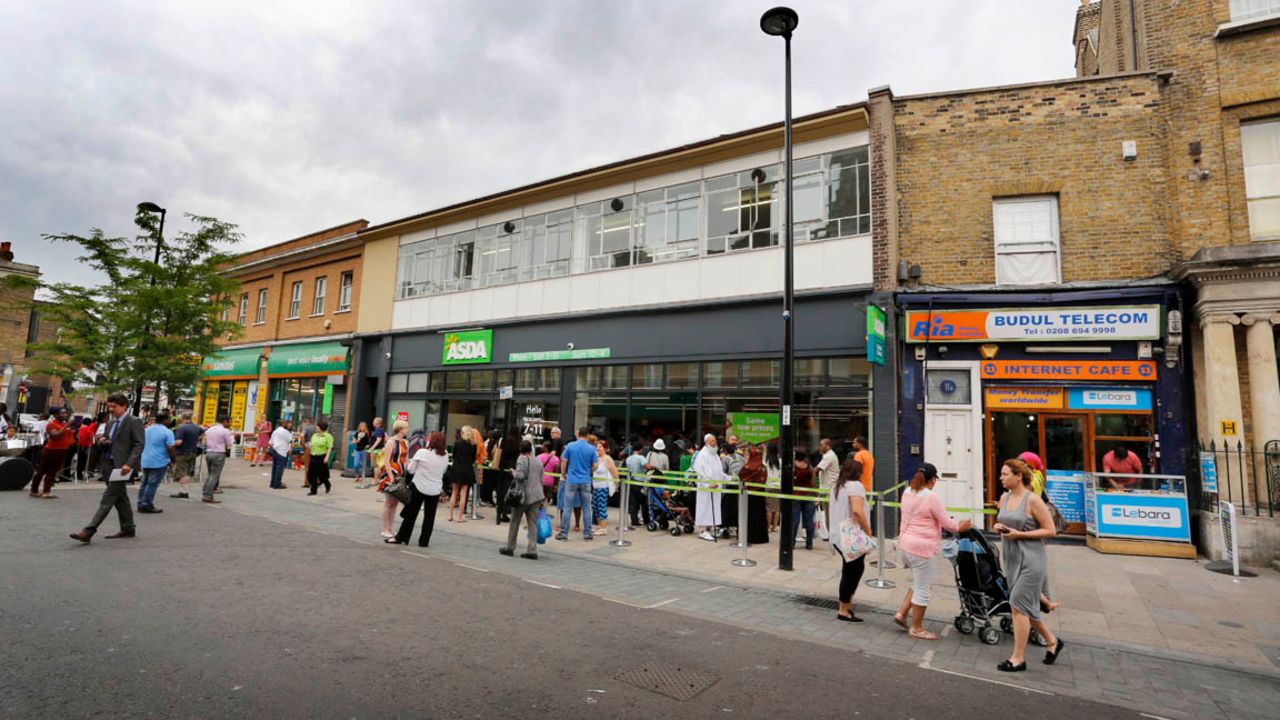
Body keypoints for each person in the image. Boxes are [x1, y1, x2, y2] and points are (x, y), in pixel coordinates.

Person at [994, 458, 1064, 672]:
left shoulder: (1033, 500)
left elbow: (1050, 530)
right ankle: (1052, 642)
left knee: (1017, 607)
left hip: (1032, 559)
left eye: (1005, 474)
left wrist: (1020, 534)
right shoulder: (1004, 497)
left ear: (1018, 476)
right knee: (1025, 607)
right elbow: (1005, 521)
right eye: (1001, 474)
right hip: (1012, 558)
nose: (1001, 477)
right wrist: (1000, 526)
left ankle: (1018, 659)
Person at [892, 463, 973, 640]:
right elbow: (948, 524)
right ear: (933, 479)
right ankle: (917, 628)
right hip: (921, 548)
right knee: (924, 587)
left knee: (918, 581)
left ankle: (901, 614)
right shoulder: (931, 497)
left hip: (905, 545)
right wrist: (962, 526)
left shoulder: (907, 492)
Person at [70, 393, 144, 543]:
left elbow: (139, 444)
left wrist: (129, 463)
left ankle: (89, 531)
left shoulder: (133, 421)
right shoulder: (111, 423)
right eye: (109, 406)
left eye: (114, 407)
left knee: (108, 498)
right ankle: (128, 528)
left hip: (122, 466)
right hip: (108, 464)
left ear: (124, 406)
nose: (111, 409)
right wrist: (103, 442)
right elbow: (109, 441)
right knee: (120, 498)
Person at [830, 456, 874, 622]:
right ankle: (844, 609)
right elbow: (857, 510)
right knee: (853, 572)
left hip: (838, 535)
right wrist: (868, 530)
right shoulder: (855, 486)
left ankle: (845, 606)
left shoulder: (837, 485)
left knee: (848, 571)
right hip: (851, 535)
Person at [392, 431, 448, 546]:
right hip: (435, 489)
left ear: (432, 441)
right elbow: (443, 471)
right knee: (429, 517)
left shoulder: (422, 452)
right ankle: (424, 541)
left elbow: (411, 469)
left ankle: (402, 538)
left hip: (419, 486)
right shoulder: (445, 454)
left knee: (411, 514)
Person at [500, 440, 545, 559]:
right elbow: (541, 480)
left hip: (522, 496)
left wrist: (513, 472)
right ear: (531, 449)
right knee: (533, 523)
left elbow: (520, 475)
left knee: (515, 521)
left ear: (521, 449)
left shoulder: (521, 459)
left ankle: (510, 547)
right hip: (536, 495)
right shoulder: (538, 461)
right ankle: (532, 550)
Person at [556, 427, 598, 541]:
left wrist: (564, 474)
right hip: (585, 480)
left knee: (567, 506)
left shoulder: (570, 446)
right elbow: (595, 466)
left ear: (578, 434)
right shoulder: (592, 449)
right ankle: (587, 533)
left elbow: (564, 461)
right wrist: (588, 472)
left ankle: (564, 533)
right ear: (588, 435)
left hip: (571, 480)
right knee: (586, 508)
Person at [137, 412, 176, 514]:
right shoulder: (167, 432)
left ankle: (141, 502)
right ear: (164, 420)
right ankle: (146, 504)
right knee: (152, 484)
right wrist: (173, 461)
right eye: (169, 418)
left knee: (145, 482)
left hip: (146, 460)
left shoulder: (147, 430)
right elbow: (171, 448)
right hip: (159, 461)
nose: (170, 420)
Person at [29, 407, 72, 498]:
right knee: (42, 471)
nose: (65, 415)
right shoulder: (51, 424)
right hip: (51, 450)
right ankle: (34, 490)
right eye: (62, 413)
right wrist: (66, 427)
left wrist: (75, 430)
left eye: (65, 413)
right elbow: (54, 436)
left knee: (52, 472)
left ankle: (46, 491)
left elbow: (68, 437)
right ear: (55, 415)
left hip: (62, 450)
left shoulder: (64, 424)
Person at [693, 434, 727, 542]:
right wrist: (708, 484)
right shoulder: (702, 455)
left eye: (715, 440)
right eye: (712, 441)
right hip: (706, 489)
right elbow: (700, 472)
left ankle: (709, 528)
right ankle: (703, 531)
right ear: (707, 442)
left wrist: (730, 478)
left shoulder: (714, 454)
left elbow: (719, 471)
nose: (714, 442)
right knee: (705, 507)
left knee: (713, 508)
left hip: (716, 488)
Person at [379, 420, 410, 538]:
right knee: (388, 503)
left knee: (395, 503)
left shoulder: (406, 442)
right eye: (406, 428)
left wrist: (406, 474)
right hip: (391, 473)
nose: (408, 429)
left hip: (401, 473)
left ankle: (391, 528)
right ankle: (384, 528)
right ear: (400, 429)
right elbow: (386, 460)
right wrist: (391, 476)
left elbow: (406, 459)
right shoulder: (391, 442)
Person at [740, 445, 770, 545]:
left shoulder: (747, 467)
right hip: (760, 494)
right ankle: (760, 537)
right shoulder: (763, 467)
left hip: (749, 495)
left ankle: (749, 536)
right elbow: (764, 480)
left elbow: (741, 475)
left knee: (749, 516)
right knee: (759, 516)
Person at [169, 410, 203, 500]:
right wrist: (196, 439)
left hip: (182, 453)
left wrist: (171, 443)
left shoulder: (182, 428)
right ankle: (185, 490)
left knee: (181, 473)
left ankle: (183, 491)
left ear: (182, 418)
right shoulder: (196, 427)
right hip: (193, 452)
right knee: (187, 472)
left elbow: (179, 442)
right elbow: (203, 434)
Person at [202, 415, 235, 503]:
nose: (230, 424)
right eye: (229, 422)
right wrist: (232, 436)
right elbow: (230, 443)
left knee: (210, 475)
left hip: (209, 452)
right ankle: (208, 495)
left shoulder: (209, 430)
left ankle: (205, 492)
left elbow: (205, 441)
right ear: (224, 421)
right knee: (214, 476)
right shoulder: (225, 431)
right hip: (219, 453)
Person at [448, 426, 477, 522]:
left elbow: (454, 455)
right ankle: (460, 517)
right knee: (463, 494)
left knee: (454, 492)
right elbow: (473, 459)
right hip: (467, 469)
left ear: (462, 433)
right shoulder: (473, 444)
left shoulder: (457, 443)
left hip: (456, 468)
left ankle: (450, 515)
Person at [791, 449, 817, 550]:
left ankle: (792, 543)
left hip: (795, 495)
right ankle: (809, 543)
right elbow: (813, 482)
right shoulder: (810, 467)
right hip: (808, 495)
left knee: (795, 521)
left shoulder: (792, 466)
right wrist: (815, 493)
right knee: (809, 521)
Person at [495, 430, 521, 524]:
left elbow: (499, 453)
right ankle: (507, 511)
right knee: (509, 491)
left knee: (501, 491)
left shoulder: (504, 441)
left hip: (503, 468)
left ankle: (500, 510)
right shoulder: (518, 443)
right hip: (512, 469)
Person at [591, 440, 617, 529]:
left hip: (603, 486)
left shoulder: (607, 458)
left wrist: (616, 483)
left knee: (601, 507)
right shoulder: (596, 458)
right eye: (597, 446)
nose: (598, 448)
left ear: (605, 449)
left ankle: (603, 528)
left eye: (600, 447)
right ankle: (600, 526)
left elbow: (614, 472)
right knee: (595, 507)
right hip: (595, 486)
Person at [306, 420, 335, 495]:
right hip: (313, 456)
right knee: (311, 474)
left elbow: (329, 447)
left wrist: (327, 457)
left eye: (317, 426)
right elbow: (311, 444)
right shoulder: (314, 435)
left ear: (321, 427)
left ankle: (327, 484)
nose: (316, 427)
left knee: (322, 474)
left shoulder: (328, 436)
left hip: (322, 456)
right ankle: (313, 490)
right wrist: (308, 445)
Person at [269, 420, 294, 489]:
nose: (290, 425)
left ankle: (273, 482)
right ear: (284, 424)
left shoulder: (276, 431)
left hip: (275, 450)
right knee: (279, 468)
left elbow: (271, 442)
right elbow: (291, 440)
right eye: (288, 424)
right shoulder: (284, 431)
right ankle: (277, 483)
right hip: (282, 451)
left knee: (275, 467)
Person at [76, 413, 99, 482]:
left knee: (82, 461)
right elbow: (83, 438)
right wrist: (83, 446)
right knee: (82, 461)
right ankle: (79, 474)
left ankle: (79, 473)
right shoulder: (85, 429)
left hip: (83, 446)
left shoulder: (82, 428)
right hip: (84, 446)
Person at [765, 443, 781, 533]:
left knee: (769, 508)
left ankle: (768, 526)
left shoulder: (766, 461)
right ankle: (774, 526)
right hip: (778, 486)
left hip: (768, 485)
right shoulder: (780, 461)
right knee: (777, 507)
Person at [368, 417, 387, 487]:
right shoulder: (380, 430)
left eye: (374, 421)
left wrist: (372, 448)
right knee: (378, 465)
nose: (373, 422)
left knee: (376, 466)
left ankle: (375, 480)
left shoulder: (379, 430)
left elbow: (379, 439)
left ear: (378, 422)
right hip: (379, 450)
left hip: (376, 450)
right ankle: (378, 479)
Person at [352, 421, 371, 485]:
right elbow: (353, 442)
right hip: (357, 451)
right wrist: (358, 440)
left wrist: (368, 446)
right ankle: (357, 475)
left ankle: (362, 478)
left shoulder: (367, 433)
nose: (362, 427)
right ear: (359, 427)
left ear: (365, 427)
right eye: (361, 426)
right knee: (356, 465)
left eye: (363, 426)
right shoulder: (357, 433)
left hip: (364, 451)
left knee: (363, 465)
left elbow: (369, 442)